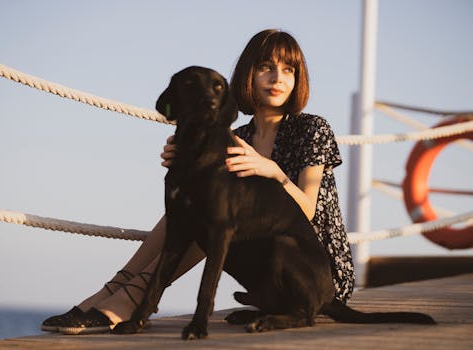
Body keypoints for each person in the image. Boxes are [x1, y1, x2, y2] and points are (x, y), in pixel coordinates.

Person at [41, 29, 355, 335]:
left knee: (208, 217)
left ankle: (133, 298)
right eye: (266, 68)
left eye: (289, 70)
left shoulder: (311, 129)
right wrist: (181, 160)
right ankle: (118, 287)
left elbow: (309, 211)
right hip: (263, 263)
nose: (277, 78)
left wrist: (274, 171)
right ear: (248, 74)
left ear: (299, 79)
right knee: (187, 205)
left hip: (313, 268)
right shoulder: (239, 136)